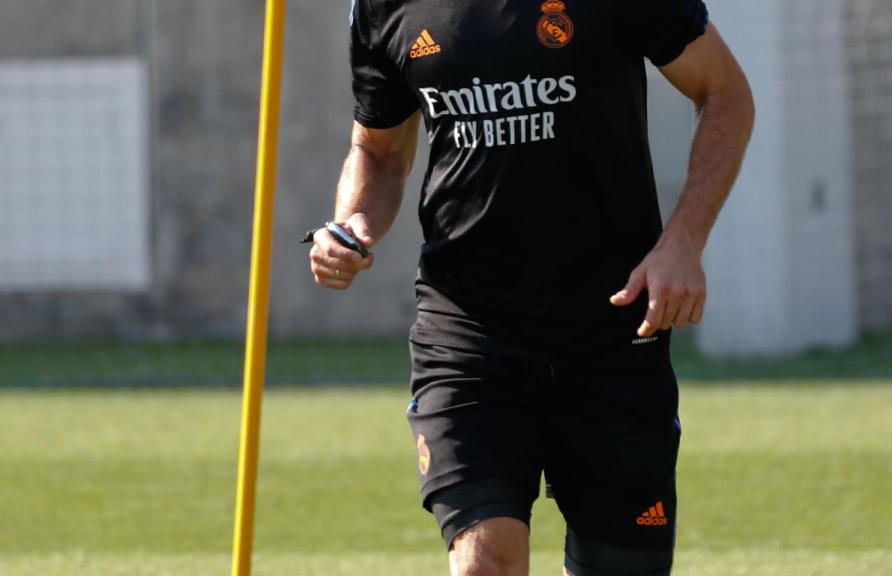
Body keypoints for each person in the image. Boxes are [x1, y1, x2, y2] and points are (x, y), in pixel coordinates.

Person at [309, 0, 753, 574]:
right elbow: (377, 149)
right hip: (468, 331)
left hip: (612, 330)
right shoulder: (383, 7)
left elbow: (725, 93)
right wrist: (353, 223)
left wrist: (683, 242)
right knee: (483, 561)